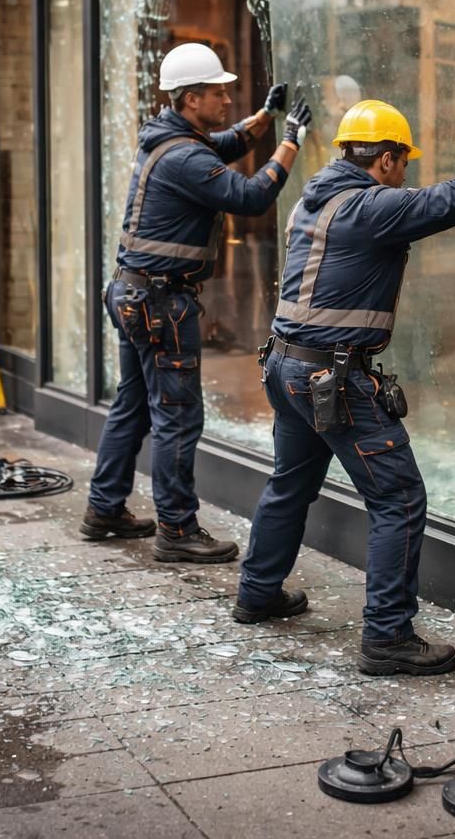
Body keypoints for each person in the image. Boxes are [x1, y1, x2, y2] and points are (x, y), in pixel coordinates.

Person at [234, 92, 455, 676]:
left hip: (287, 368)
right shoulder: (367, 206)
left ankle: (257, 594)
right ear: (383, 158)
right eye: (402, 161)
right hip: (328, 374)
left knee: (291, 483)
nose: (404, 172)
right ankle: (387, 636)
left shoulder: (313, 202)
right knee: (399, 498)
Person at [82, 42, 310, 563]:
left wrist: (264, 118)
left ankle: (104, 507)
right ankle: (177, 529)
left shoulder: (170, 139)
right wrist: (290, 142)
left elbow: (223, 146)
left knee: (133, 405)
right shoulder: (185, 154)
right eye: (217, 91)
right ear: (189, 99)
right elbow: (251, 197)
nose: (227, 98)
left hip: (134, 292)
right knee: (178, 418)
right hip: (160, 303)